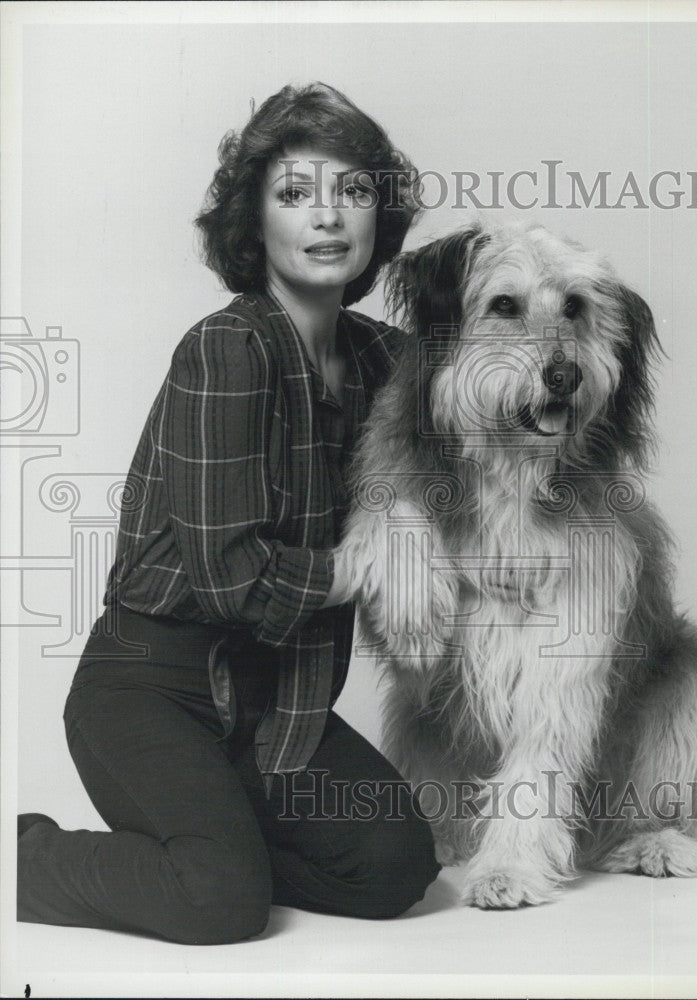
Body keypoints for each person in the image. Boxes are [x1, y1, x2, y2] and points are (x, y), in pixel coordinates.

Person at [17, 82, 440, 945]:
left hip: (276, 707)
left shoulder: (379, 359)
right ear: (255, 226)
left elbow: (476, 409)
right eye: (295, 195)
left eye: (352, 192)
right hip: (149, 688)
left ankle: (214, 850)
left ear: (377, 219)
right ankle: (25, 856)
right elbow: (230, 577)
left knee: (397, 869)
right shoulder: (229, 347)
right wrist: (364, 567)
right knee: (221, 906)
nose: (327, 217)